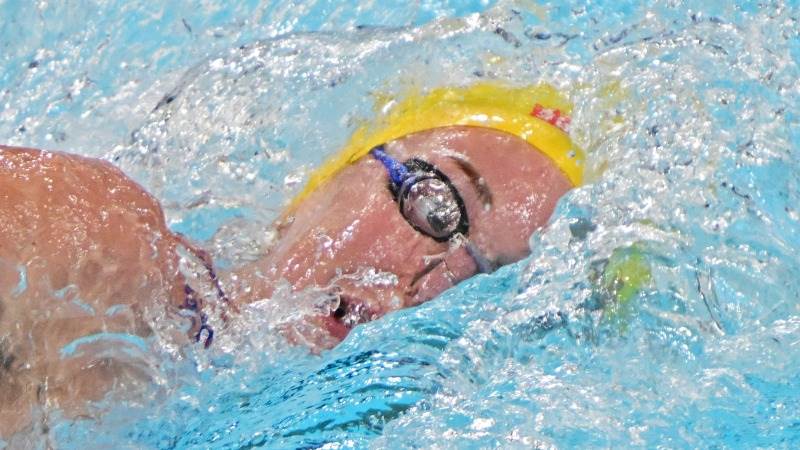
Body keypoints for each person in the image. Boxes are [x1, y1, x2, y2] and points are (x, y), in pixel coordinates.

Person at [0, 82, 583, 436]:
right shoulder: (102, 240)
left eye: (485, 278)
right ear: (336, 176)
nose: (420, 285)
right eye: (436, 207)